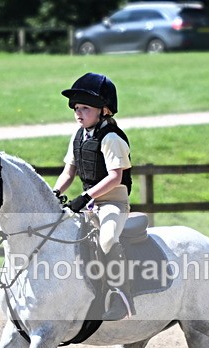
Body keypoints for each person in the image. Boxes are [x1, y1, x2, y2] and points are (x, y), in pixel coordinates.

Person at [53, 72, 135, 321]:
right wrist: (55, 193)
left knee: (107, 239)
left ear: (104, 110)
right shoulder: (78, 136)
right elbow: (69, 172)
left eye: (85, 108)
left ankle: (121, 294)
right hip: (88, 205)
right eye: (76, 108)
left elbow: (115, 178)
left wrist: (85, 196)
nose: (78, 113)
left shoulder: (111, 138)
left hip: (113, 203)